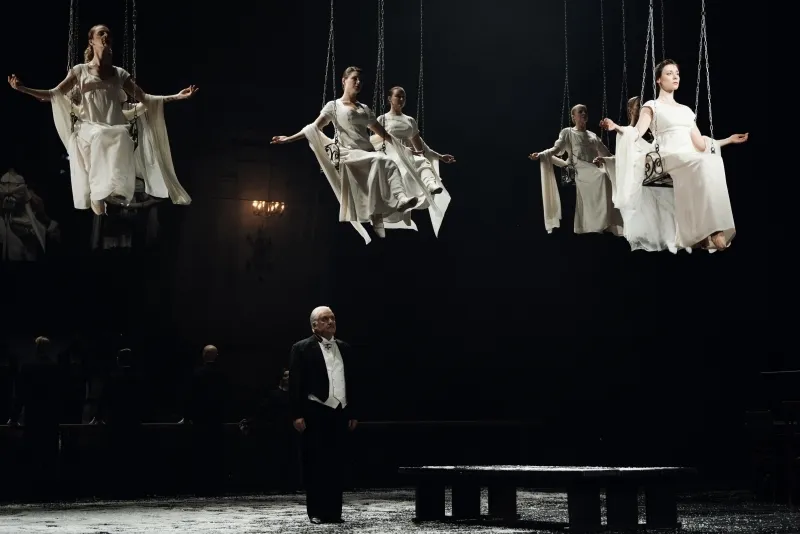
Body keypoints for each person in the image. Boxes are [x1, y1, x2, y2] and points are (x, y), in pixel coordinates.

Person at [7, 24, 197, 215]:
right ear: (92, 41)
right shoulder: (80, 71)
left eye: (108, 33)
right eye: (101, 33)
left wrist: (177, 96)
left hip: (115, 127)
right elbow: (53, 94)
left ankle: (113, 189)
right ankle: (96, 193)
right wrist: (23, 89)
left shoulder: (119, 74)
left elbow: (145, 98)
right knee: (100, 135)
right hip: (88, 128)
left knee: (123, 136)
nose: (105, 35)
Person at [599, 59, 748, 251]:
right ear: (659, 80)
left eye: (676, 73)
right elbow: (636, 133)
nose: (675, 76)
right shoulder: (651, 106)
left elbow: (701, 144)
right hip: (667, 155)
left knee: (714, 161)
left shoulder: (686, 111)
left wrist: (728, 140)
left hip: (689, 156)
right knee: (701, 163)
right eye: (669, 73)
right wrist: (616, 127)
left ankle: (706, 229)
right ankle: (712, 230)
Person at [271, 66, 420, 241]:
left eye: (360, 80)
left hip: (367, 152)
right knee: (384, 161)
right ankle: (394, 202)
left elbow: (384, 134)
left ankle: (381, 211)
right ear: (344, 81)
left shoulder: (365, 109)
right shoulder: (334, 106)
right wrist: (289, 139)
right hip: (348, 154)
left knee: (383, 167)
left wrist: (404, 148)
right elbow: (313, 128)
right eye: (354, 78)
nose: (358, 82)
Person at [289, 306, 359, 524]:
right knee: (316, 464)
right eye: (325, 319)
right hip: (315, 412)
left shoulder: (345, 348)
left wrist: (353, 412)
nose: (330, 322)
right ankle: (316, 512)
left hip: (340, 411)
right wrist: (296, 415)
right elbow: (296, 384)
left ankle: (334, 512)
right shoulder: (301, 348)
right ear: (314, 326)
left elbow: (353, 382)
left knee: (337, 464)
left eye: (332, 318)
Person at [370, 86, 456, 237]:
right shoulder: (382, 119)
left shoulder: (410, 120)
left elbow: (421, 147)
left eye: (403, 97)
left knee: (421, 161)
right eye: (398, 96)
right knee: (390, 185)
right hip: (391, 154)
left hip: (407, 155)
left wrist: (440, 156)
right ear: (389, 99)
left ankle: (430, 184)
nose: (401, 99)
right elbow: (376, 141)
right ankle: (380, 215)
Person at [530, 104, 623, 235]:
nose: (583, 113)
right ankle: (598, 221)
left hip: (593, 168)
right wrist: (541, 154)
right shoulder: (568, 132)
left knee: (608, 175)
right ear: (573, 117)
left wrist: (621, 159)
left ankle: (607, 220)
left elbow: (606, 154)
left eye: (585, 111)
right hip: (579, 169)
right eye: (580, 112)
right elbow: (556, 149)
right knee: (602, 176)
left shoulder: (592, 136)